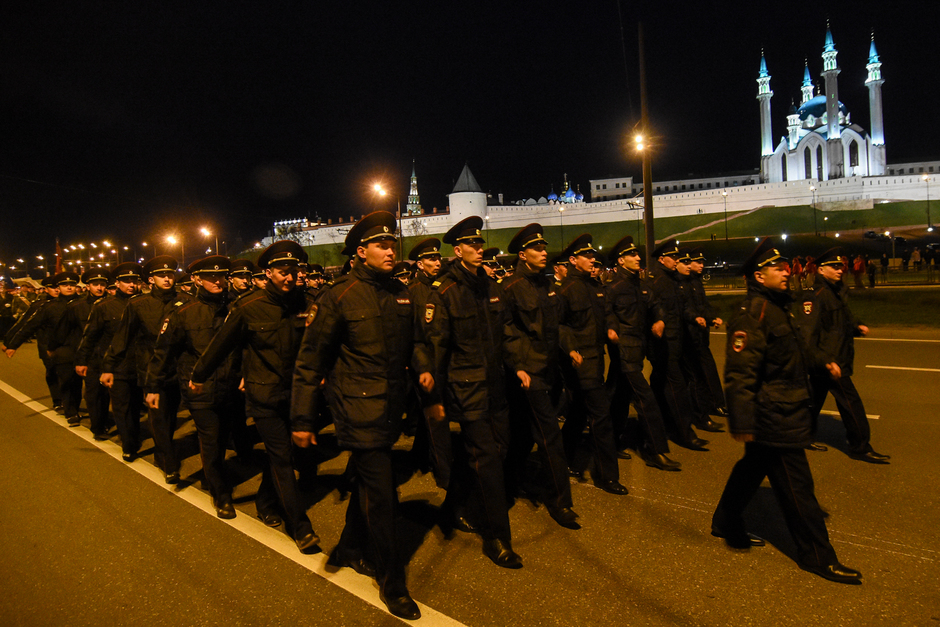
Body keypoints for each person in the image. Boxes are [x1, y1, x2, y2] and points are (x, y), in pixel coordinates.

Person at [291, 212, 423, 620]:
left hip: (390, 409)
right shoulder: (339, 296)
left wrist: (428, 379)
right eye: (381, 245)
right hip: (356, 408)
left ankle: (349, 547)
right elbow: (310, 362)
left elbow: (413, 345)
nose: (390, 250)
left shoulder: (401, 293)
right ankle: (392, 581)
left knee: (369, 486)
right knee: (384, 495)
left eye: (392, 244)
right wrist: (301, 419)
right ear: (360, 253)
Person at [712, 238, 863, 585]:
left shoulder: (780, 308)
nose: (786, 272)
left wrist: (823, 363)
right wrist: (743, 420)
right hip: (773, 415)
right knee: (798, 489)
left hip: (786, 407)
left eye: (785, 267)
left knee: (752, 469)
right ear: (759, 277)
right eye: (777, 268)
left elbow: (796, 351)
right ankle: (817, 556)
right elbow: (739, 373)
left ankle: (725, 520)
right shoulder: (754, 314)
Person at [190, 241, 319, 552]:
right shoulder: (249, 307)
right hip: (264, 397)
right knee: (282, 458)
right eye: (283, 271)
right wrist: (198, 375)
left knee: (292, 458)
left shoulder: (310, 304)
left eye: (294, 271)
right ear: (268, 272)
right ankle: (300, 527)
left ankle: (265, 501)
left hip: (299, 396)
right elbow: (221, 345)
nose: (290, 277)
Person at [418, 216, 522, 568]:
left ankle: (451, 508)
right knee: (488, 459)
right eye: (472, 245)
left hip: (496, 386)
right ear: (457, 250)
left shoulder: (490, 287)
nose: (479, 249)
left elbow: (505, 330)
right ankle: (497, 537)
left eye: (480, 244)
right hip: (466, 388)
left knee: (495, 451)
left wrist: (519, 364)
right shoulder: (444, 292)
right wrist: (434, 400)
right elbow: (435, 348)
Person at [147, 256, 248, 519]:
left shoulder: (237, 308)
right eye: (211, 277)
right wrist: (154, 386)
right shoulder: (183, 311)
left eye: (221, 276)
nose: (217, 281)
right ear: (196, 279)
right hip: (199, 388)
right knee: (211, 439)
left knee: (224, 436)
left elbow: (246, 346)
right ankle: (221, 494)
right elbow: (163, 351)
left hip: (230, 387)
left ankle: (211, 476)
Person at [501, 223, 580, 530]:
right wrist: (518, 365)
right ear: (523, 254)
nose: (544, 252)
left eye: (545, 248)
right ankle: (560, 501)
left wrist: (569, 349)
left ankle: (509, 483)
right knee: (549, 437)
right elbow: (506, 332)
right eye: (538, 248)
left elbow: (557, 324)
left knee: (520, 436)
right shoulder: (509, 288)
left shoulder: (545, 285)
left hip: (547, 369)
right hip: (528, 373)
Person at [103, 257, 190, 481]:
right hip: (152, 371)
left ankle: (163, 452)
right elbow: (122, 338)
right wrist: (109, 366)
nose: (167, 278)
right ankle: (168, 462)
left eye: (170, 274)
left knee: (171, 417)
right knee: (159, 417)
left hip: (179, 370)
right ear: (151, 279)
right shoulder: (138, 304)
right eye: (162, 275)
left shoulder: (186, 300)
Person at [801, 248, 890, 464]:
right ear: (821, 270)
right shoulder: (815, 296)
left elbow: (842, 318)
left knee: (813, 399)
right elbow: (807, 336)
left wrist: (856, 326)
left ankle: (801, 435)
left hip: (836, 356)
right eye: (834, 266)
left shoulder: (836, 291)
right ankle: (860, 447)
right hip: (830, 361)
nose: (840, 269)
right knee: (851, 403)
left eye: (841, 265)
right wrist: (825, 362)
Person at [556, 233, 627, 495]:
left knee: (578, 413)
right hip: (579, 362)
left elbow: (608, 314)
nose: (592, 259)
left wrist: (611, 328)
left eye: (592, 255)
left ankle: (562, 458)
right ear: (574, 260)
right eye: (586, 256)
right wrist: (571, 348)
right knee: (601, 416)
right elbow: (559, 324)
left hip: (597, 359)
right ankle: (607, 476)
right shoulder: (566, 289)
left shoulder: (596, 287)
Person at [605, 236, 680, 471]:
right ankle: (655, 450)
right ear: (621, 260)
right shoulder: (614, 287)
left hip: (639, 350)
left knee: (618, 396)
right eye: (633, 255)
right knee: (646, 399)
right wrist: (612, 329)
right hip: (624, 351)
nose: (639, 258)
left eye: (638, 254)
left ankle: (611, 442)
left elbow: (655, 303)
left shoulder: (642, 284)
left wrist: (659, 319)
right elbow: (606, 313)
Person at [645, 241, 709, 451]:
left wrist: (695, 318)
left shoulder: (673, 280)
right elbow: (655, 310)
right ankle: (685, 433)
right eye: (673, 258)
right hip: (664, 344)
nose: (677, 262)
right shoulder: (658, 281)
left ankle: (658, 426)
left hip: (676, 342)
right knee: (677, 389)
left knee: (658, 387)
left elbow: (682, 308)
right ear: (662, 260)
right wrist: (659, 323)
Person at [81, 262, 143, 459]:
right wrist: (82, 360)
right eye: (126, 281)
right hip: (118, 365)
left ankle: (133, 434)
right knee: (122, 406)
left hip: (142, 365)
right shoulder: (104, 307)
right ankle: (129, 444)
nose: (131, 285)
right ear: (117, 283)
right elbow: (90, 336)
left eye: (134, 281)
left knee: (136, 406)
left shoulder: (146, 304)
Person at [6, 272, 82, 421]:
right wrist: (12, 344)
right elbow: (29, 325)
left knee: (78, 383)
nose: (69, 288)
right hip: (58, 349)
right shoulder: (48, 307)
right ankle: (69, 410)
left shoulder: (85, 303)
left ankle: (74, 407)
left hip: (82, 349)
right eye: (64, 285)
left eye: (72, 285)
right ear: (58, 287)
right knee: (64, 379)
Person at [680, 248, 726, 432]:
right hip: (691, 336)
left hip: (700, 334)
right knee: (697, 375)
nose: (701, 265)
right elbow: (687, 309)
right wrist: (699, 319)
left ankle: (714, 403)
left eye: (702, 262)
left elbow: (703, 306)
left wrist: (712, 317)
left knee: (705, 371)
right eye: (697, 262)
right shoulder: (683, 283)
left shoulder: (696, 282)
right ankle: (704, 409)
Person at [4, 277, 61, 411]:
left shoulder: (68, 303)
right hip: (46, 345)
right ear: (46, 289)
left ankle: (68, 400)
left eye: (58, 287)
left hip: (64, 345)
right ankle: (58, 400)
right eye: (53, 288)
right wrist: (10, 342)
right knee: (52, 372)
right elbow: (25, 324)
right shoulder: (39, 305)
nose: (57, 290)